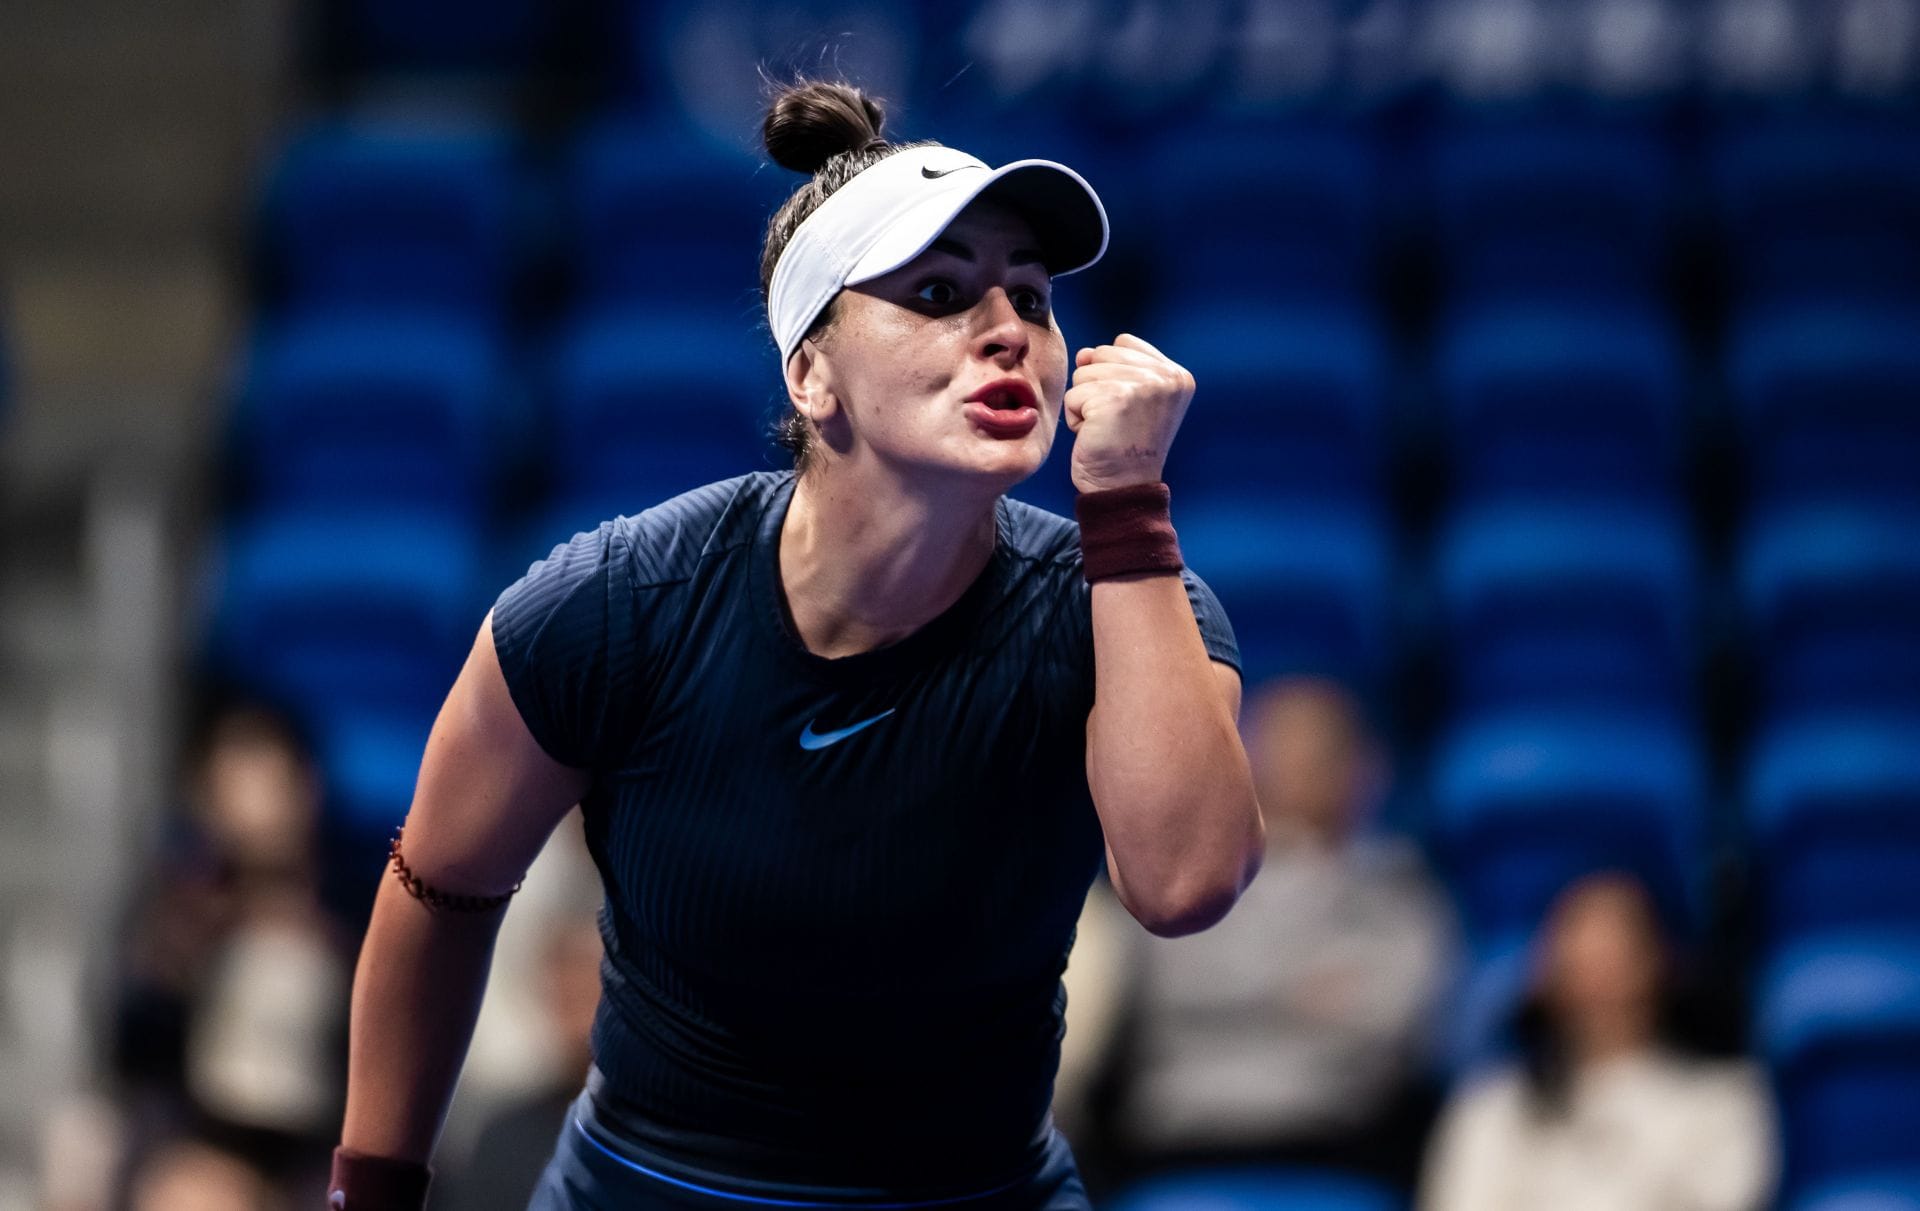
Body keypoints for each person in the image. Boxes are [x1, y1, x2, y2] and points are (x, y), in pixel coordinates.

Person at [329, 77, 1264, 1211]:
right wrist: (372, 1188)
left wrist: (1122, 502)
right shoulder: (619, 601)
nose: (1007, 330)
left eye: (1030, 295)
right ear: (811, 373)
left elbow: (1184, 884)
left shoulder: (1124, 599)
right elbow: (441, 884)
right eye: (938, 292)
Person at [1066, 677, 1454, 1194]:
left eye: (1317, 754)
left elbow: (1390, 1025)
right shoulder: (1183, 877)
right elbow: (1160, 994)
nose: (1294, 770)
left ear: (1362, 771)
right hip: (1174, 1147)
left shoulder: (1398, 894)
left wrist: (1227, 994)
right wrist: (1302, 994)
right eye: (1278, 749)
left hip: (1339, 1146)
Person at [1418, 872, 1777, 1211]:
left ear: (1660, 959)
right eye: (1578, 946)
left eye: (1614, 945)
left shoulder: (1725, 1101)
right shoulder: (1488, 1107)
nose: (1596, 970)